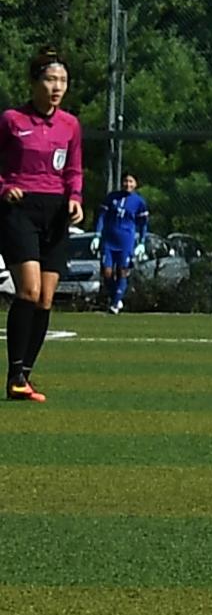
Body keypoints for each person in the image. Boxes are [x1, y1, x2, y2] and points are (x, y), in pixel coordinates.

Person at [0, 55, 85, 401]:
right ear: (34, 82)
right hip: (18, 210)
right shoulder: (10, 120)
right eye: (50, 80)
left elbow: (74, 169)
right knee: (29, 292)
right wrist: (4, 188)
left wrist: (76, 197)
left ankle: (24, 378)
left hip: (56, 214)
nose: (57, 88)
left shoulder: (70, 125)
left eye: (62, 81)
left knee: (46, 299)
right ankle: (14, 373)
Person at [94, 174, 149, 315]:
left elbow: (143, 224)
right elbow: (102, 217)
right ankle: (116, 297)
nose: (127, 184)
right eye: (125, 181)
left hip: (126, 241)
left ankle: (115, 303)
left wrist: (142, 242)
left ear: (136, 184)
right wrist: (97, 235)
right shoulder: (111, 198)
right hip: (109, 240)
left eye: (131, 181)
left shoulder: (139, 202)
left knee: (123, 271)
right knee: (107, 272)